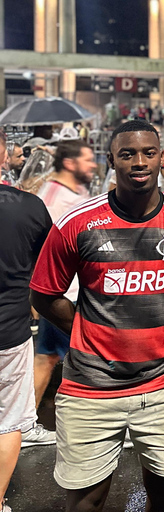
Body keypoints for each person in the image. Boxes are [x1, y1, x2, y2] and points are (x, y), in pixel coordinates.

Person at [29, 120, 164, 512]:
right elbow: (43, 293)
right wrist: (82, 328)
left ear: (161, 158)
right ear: (111, 160)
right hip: (90, 387)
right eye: (127, 154)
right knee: (87, 500)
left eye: (148, 152)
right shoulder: (77, 221)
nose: (138, 162)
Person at [26, 140, 96, 448]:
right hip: (65, 295)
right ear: (70, 164)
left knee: (46, 358)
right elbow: (44, 250)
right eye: (87, 160)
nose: (93, 165)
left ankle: (23, 423)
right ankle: (96, 430)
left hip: (74, 290)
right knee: (92, 359)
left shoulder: (74, 192)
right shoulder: (54, 198)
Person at [0, 133, 52, 512]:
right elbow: (48, 270)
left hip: (12, 329)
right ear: (4, 152)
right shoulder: (29, 207)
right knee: (7, 422)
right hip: (9, 332)